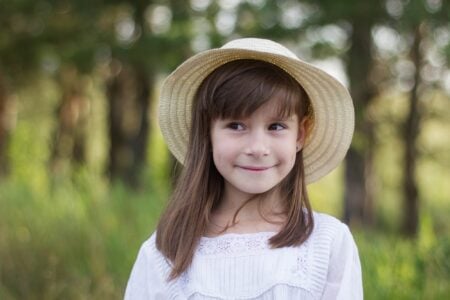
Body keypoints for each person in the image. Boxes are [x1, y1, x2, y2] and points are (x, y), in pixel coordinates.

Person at [125, 38, 363, 299]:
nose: (257, 148)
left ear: (300, 135)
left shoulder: (327, 243)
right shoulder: (167, 251)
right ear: (207, 132)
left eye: (276, 127)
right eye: (236, 126)